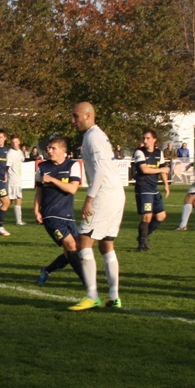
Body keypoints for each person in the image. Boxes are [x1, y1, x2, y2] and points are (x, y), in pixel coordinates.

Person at [69, 102, 125, 310]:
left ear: (87, 115)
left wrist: (89, 198)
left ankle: (92, 295)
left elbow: (100, 170)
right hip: (116, 194)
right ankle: (114, 296)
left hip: (104, 195)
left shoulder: (92, 137)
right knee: (106, 244)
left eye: (75, 116)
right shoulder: (97, 135)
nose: (73, 120)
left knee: (83, 241)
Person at [33, 135, 85, 287]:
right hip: (51, 215)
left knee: (73, 251)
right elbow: (39, 192)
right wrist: (36, 210)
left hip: (68, 215)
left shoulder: (72, 165)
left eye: (53, 148)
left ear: (63, 150)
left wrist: (52, 180)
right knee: (71, 246)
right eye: (48, 148)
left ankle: (47, 270)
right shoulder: (42, 167)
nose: (49, 151)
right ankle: (88, 283)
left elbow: (72, 189)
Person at [133, 129, 170, 251]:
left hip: (154, 189)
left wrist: (166, 185)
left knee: (161, 216)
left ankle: (143, 237)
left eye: (148, 138)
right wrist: (161, 170)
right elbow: (144, 169)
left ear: (154, 140)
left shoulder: (159, 153)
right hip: (143, 189)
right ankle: (141, 246)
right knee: (147, 217)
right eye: (144, 138)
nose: (145, 140)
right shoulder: (139, 152)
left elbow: (163, 169)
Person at [7, 135, 27, 226]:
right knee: (13, 200)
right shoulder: (10, 153)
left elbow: (22, 160)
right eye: (13, 142)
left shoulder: (19, 152)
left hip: (18, 178)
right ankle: (18, 221)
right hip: (13, 179)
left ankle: (19, 220)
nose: (14, 144)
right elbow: (7, 166)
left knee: (12, 200)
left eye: (16, 142)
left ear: (19, 142)